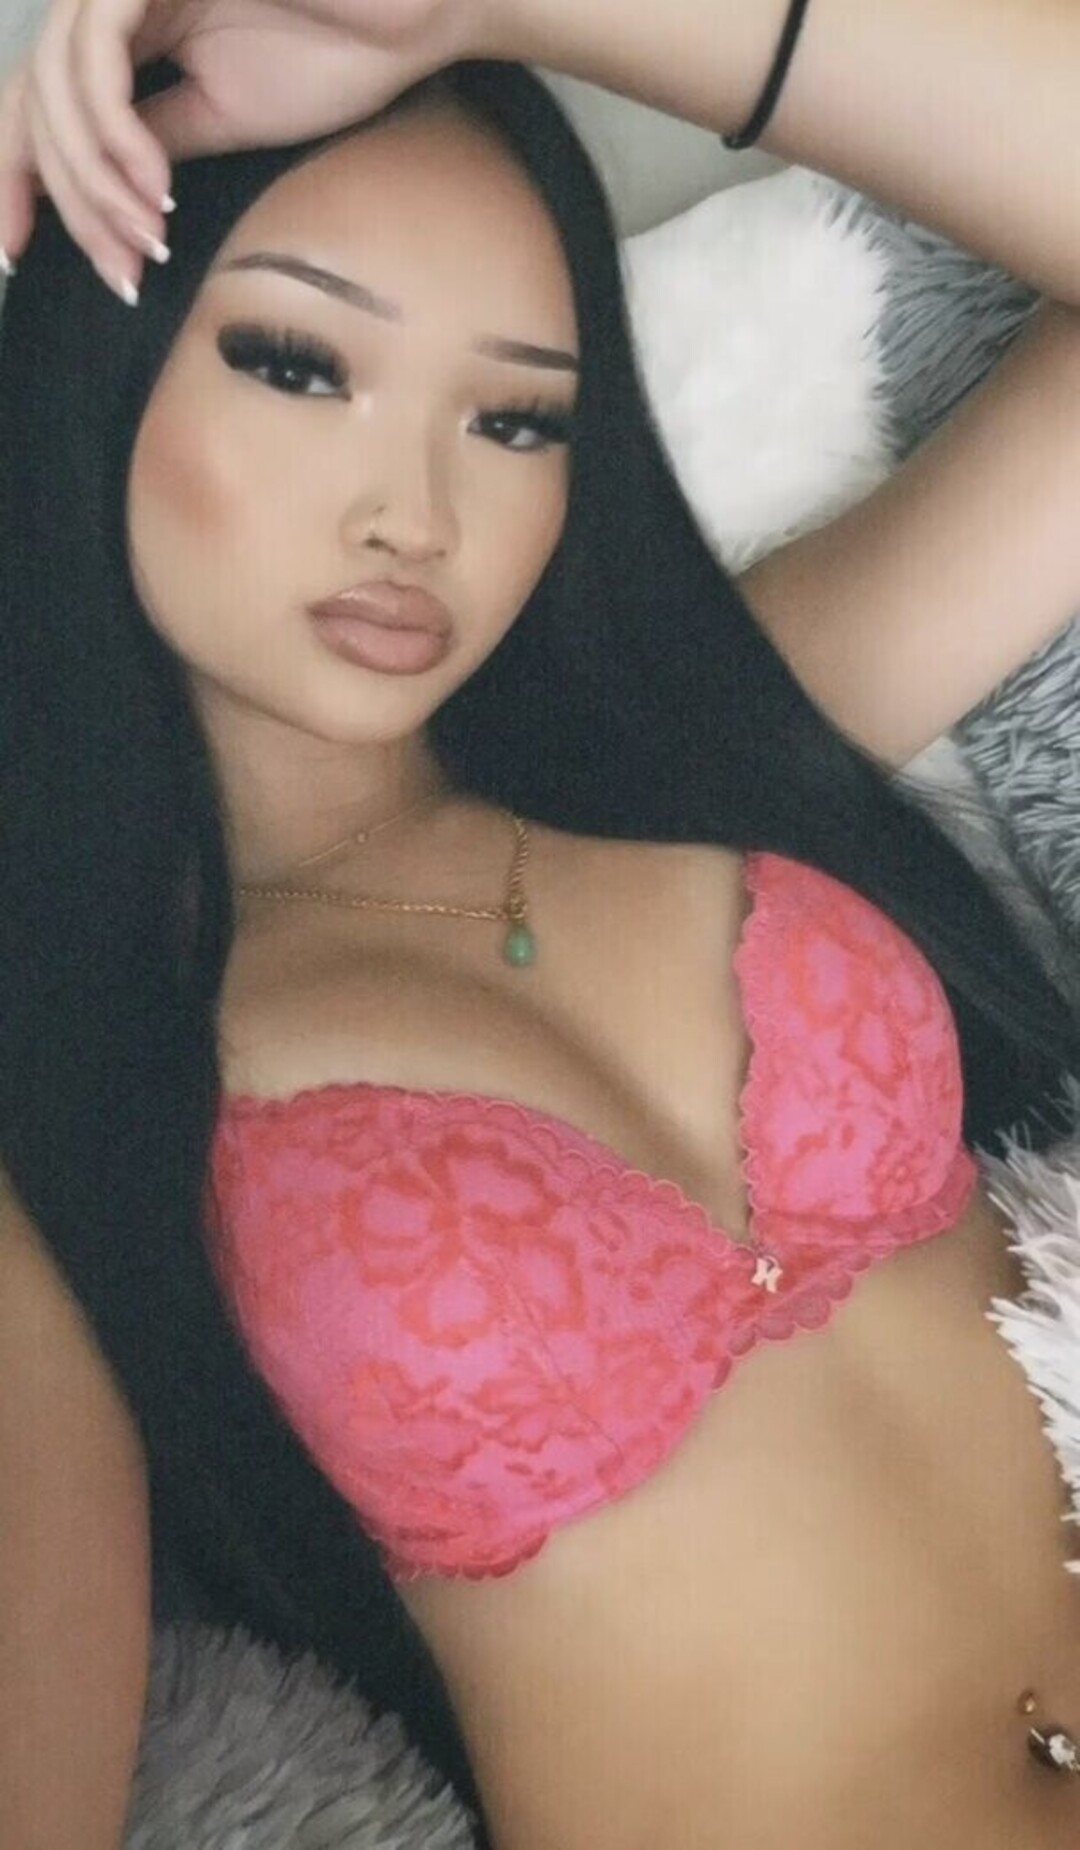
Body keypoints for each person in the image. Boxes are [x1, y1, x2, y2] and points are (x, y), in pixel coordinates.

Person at [2, 3, 1080, 1847]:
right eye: (297, 364)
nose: (414, 514)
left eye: (516, 416)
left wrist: (495, 1)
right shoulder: (77, 1081)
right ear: (89, 362)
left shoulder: (712, 743)